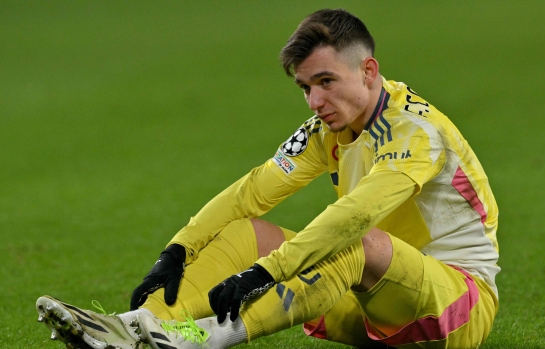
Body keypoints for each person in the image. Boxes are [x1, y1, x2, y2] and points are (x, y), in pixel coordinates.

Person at [36, 8, 500, 349]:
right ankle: (131, 328)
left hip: (454, 308)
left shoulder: (416, 132)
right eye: (305, 88)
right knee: (245, 233)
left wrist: (267, 272)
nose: (314, 101)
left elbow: (357, 215)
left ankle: (196, 342)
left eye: (325, 81)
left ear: (368, 70)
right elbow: (254, 190)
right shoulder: (330, 127)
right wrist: (178, 249)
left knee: (357, 239)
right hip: (368, 305)